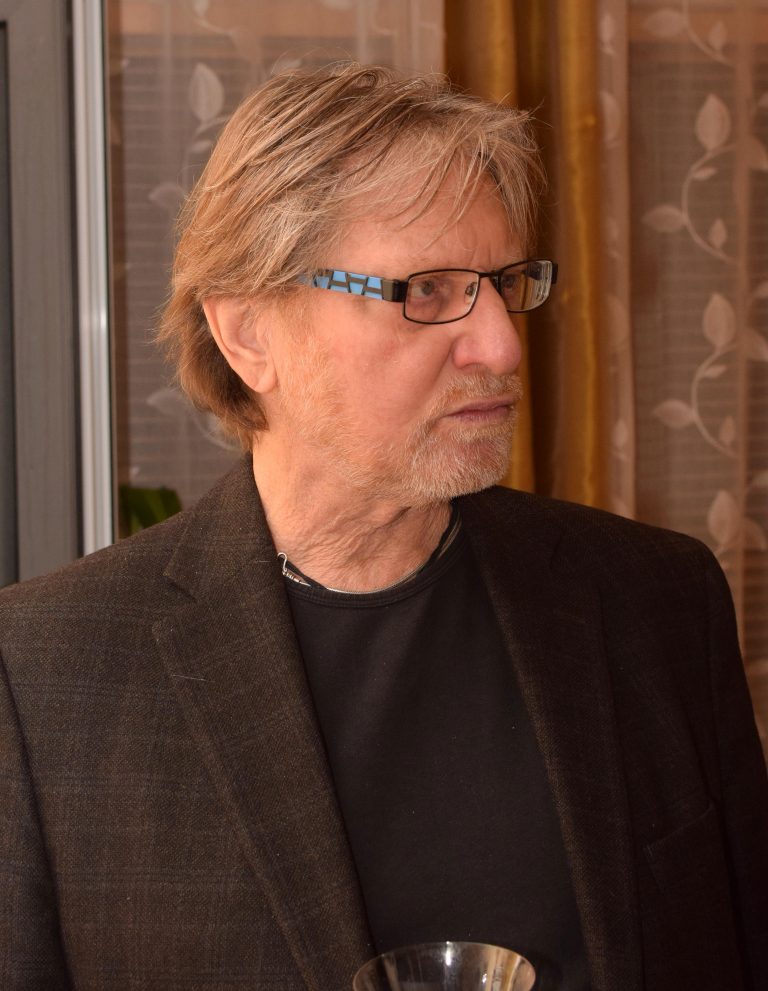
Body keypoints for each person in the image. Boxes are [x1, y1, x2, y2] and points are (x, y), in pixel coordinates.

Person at [1, 63, 766, 991]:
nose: (502, 345)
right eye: (428, 291)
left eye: (506, 283)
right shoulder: (47, 676)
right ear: (248, 334)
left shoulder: (656, 599)